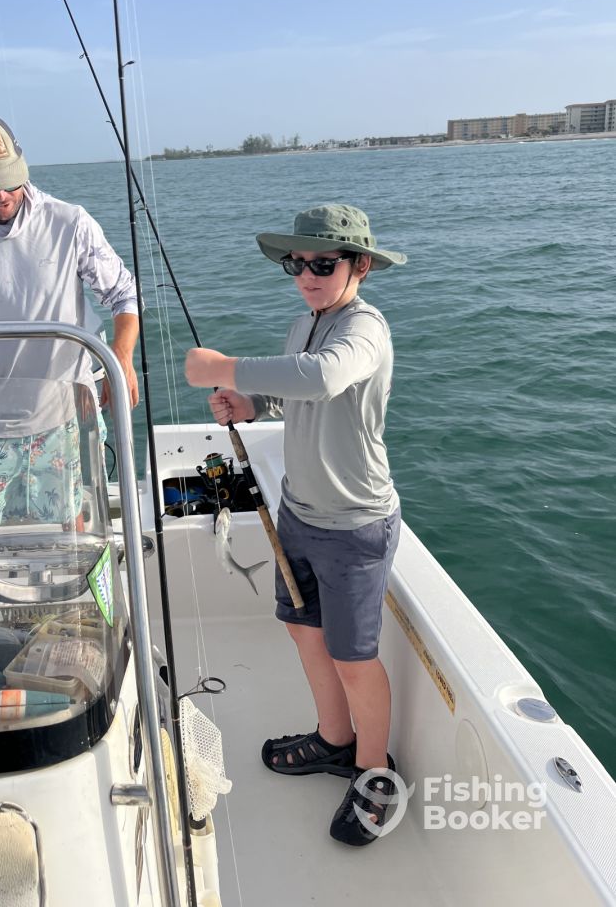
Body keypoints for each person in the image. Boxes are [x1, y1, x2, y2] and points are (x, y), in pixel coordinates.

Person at [184, 203, 406, 846]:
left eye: (323, 264)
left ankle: (374, 770)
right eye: (297, 263)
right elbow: (295, 391)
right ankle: (335, 740)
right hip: (299, 513)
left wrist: (225, 368)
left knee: (353, 658)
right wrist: (250, 403)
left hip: (354, 525)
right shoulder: (304, 324)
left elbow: (326, 377)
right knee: (306, 635)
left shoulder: (364, 328)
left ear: (360, 266)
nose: (307, 275)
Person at [0, 112, 140, 538]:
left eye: (8, 180)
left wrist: (120, 357)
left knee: (73, 528)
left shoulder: (70, 222)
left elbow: (123, 294)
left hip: (66, 409)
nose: (0, 194)